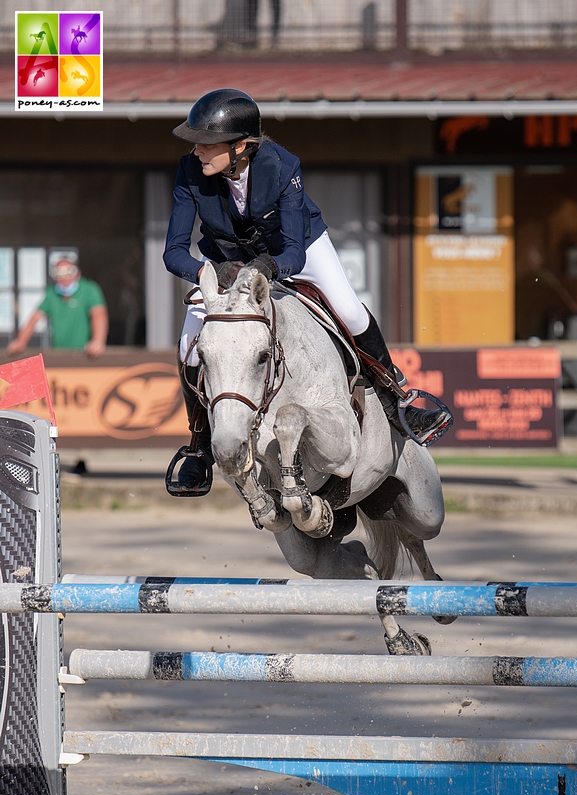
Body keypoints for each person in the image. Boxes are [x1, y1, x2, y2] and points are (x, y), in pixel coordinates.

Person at [163, 88, 449, 495]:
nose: (197, 151)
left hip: (294, 250)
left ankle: (397, 401)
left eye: (206, 144)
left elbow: (294, 250)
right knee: (191, 340)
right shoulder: (189, 171)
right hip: (227, 263)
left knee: (349, 310)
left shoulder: (282, 167)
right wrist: (214, 270)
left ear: (240, 146)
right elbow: (173, 252)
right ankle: (199, 443)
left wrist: (267, 267)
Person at [7, 257, 108, 357]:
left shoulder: (89, 289)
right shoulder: (52, 292)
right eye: (58, 273)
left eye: (68, 271)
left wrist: (97, 342)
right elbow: (35, 318)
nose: (64, 277)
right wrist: (20, 342)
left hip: (85, 354)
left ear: (78, 273)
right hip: (60, 354)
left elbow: (98, 315)